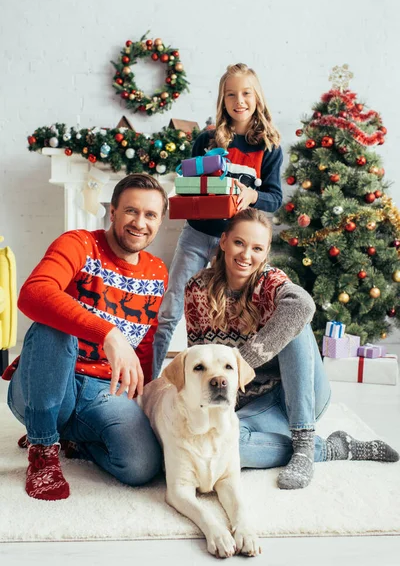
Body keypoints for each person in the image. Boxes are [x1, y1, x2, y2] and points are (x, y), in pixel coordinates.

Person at [184, 207, 399, 490]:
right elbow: (199, 359)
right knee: (226, 447)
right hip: (252, 404)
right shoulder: (197, 289)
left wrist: (244, 362)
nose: (246, 255)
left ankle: (304, 440)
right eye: (239, 243)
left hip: (303, 392)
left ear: (266, 252)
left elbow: (303, 305)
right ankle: (332, 448)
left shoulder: (269, 281)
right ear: (223, 241)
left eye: (257, 248)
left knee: (295, 317)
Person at [2, 174, 169, 501]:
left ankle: (70, 437)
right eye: (131, 211)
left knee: (141, 466)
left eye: (150, 215)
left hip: (103, 391)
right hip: (47, 380)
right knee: (54, 323)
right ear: (113, 212)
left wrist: (143, 399)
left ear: (160, 221)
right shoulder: (79, 243)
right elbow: (33, 294)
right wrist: (108, 333)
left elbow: (144, 345)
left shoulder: (157, 271)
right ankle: (43, 447)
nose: (140, 222)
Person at [152, 63, 283, 377]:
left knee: (234, 314)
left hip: (237, 245)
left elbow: (275, 198)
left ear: (257, 97)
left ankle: (237, 382)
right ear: (222, 100)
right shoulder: (209, 139)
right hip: (197, 236)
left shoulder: (269, 146)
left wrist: (250, 195)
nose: (239, 100)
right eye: (231, 94)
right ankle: (148, 381)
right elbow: (189, 182)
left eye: (246, 93)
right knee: (170, 310)